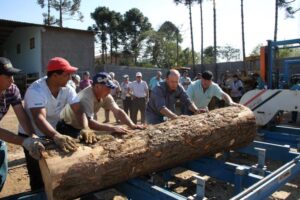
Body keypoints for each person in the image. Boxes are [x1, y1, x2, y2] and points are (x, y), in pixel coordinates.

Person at [19, 57, 86, 190]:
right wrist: (56, 136)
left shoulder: (67, 88)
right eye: (67, 74)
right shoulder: (36, 90)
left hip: (52, 131)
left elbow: (78, 110)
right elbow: (39, 118)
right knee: (38, 175)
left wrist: (86, 128)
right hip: (32, 135)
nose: (70, 77)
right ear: (55, 75)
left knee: (56, 170)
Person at [0, 57, 44, 192]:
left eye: (13, 75)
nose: (12, 80)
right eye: (8, 76)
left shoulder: (11, 89)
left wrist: (32, 136)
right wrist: (24, 142)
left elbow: (22, 116)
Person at [60, 72, 144, 137]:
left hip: (81, 127)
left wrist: (132, 125)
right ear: (97, 86)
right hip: (67, 126)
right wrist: (112, 128)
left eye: (110, 88)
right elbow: (89, 122)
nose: (109, 91)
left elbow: (118, 111)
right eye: (107, 87)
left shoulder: (105, 95)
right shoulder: (86, 97)